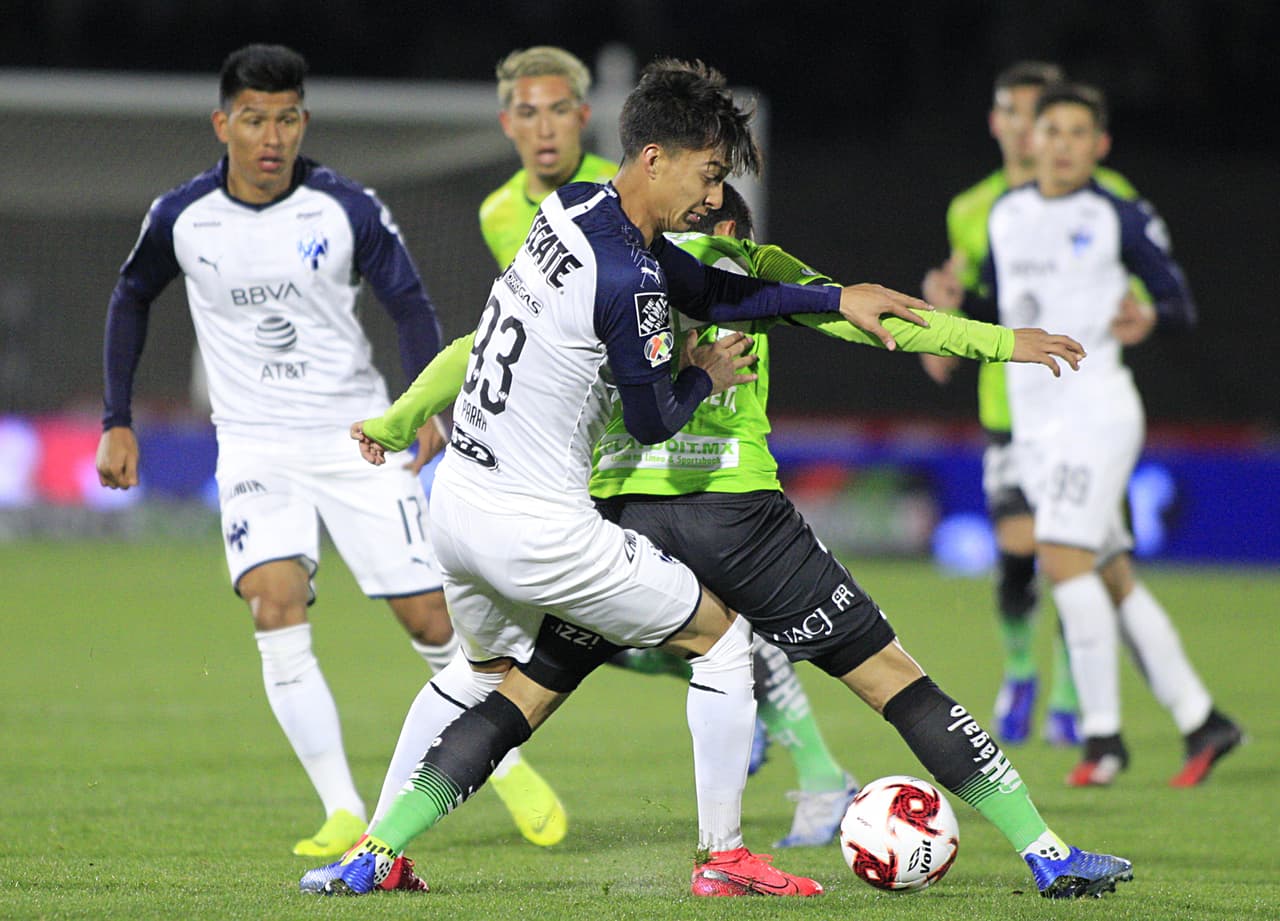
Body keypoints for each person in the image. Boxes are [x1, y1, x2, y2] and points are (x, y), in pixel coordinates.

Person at [306, 60, 1130, 901]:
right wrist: (719, 364)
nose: (712, 198)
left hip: (554, 507)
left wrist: (399, 419)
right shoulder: (651, 274)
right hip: (700, 521)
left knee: (509, 686)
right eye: (707, 175)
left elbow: (507, 338)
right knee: (841, 666)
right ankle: (1017, 851)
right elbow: (665, 400)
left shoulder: (571, 210)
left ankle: (376, 849)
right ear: (656, 158)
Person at [93, 43, 566, 865]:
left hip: (356, 435)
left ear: (303, 121)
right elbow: (131, 296)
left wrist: (423, 405)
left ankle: (505, 762)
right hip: (253, 444)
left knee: (432, 617)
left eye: (286, 119)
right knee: (273, 604)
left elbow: (408, 301)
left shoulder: (345, 207)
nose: (271, 137)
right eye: (254, 120)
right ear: (223, 124)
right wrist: (116, 417)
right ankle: (343, 807)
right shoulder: (182, 216)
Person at [478, 45, 856, 847]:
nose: (544, 128)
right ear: (507, 122)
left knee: (682, 627)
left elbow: (709, 285)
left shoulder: (628, 193)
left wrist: (827, 301)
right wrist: (417, 411)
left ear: (586, 119)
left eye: (558, 110)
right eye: (527, 112)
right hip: (575, 455)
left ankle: (808, 768)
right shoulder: (513, 211)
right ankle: (762, 744)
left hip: (660, 451)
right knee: (645, 630)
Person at [980, 81, 1243, 787]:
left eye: (1078, 133)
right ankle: (1202, 719)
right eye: (1052, 130)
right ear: (1032, 140)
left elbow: (1178, 301)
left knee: (1062, 559)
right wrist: (953, 302)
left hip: (1094, 413)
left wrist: (1150, 316)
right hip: (1035, 426)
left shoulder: (1116, 215)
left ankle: (1102, 739)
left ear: (1099, 146)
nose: (1063, 145)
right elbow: (993, 300)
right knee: (1112, 575)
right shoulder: (1006, 215)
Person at [920, 61, 1148, 748]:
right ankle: (1021, 672)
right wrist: (940, 320)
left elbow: (1137, 291)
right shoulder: (972, 209)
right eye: (1015, 114)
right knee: (1019, 552)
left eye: (1040, 116)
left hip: (1086, 409)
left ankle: (1072, 698)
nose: (1028, 129)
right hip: (1011, 410)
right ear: (997, 123)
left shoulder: (1110, 198)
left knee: (1080, 556)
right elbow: (962, 300)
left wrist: (1140, 312)